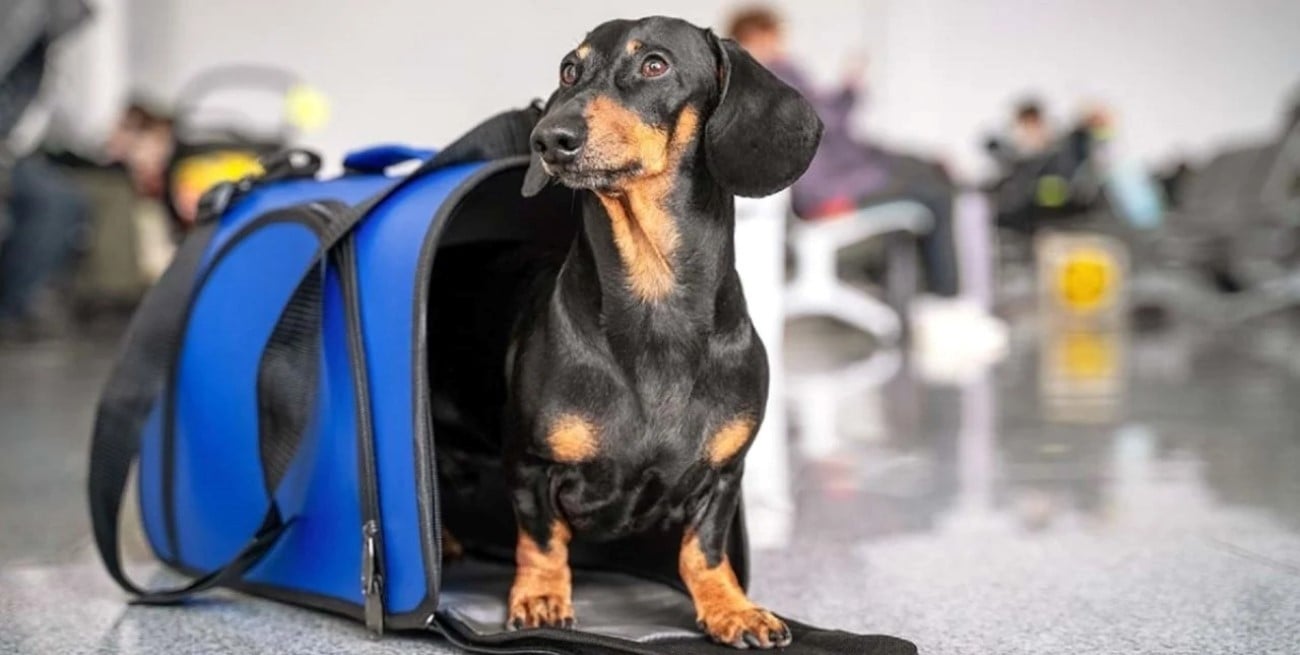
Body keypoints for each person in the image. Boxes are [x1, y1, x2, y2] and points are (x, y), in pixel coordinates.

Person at [726, 7, 960, 298]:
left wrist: (848, 91)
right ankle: (946, 299)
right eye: (775, 35)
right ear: (756, 35)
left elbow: (823, 119)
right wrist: (850, 88)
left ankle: (936, 296)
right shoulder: (775, 74)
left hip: (830, 178)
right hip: (827, 190)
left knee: (929, 174)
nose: (781, 42)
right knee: (936, 191)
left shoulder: (749, 81)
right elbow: (825, 121)